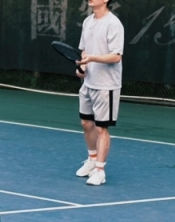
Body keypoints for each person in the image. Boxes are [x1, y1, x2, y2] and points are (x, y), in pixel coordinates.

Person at [75, 0, 124, 186]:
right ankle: (92, 160)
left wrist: (92, 58)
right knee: (86, 123)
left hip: (106, 85)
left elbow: (116, 56)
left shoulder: (113, 24)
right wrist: (83, 67)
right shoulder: (87, 21)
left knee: (101, 128)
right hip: (88, 82)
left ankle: (100, 170)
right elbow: (84, 51)